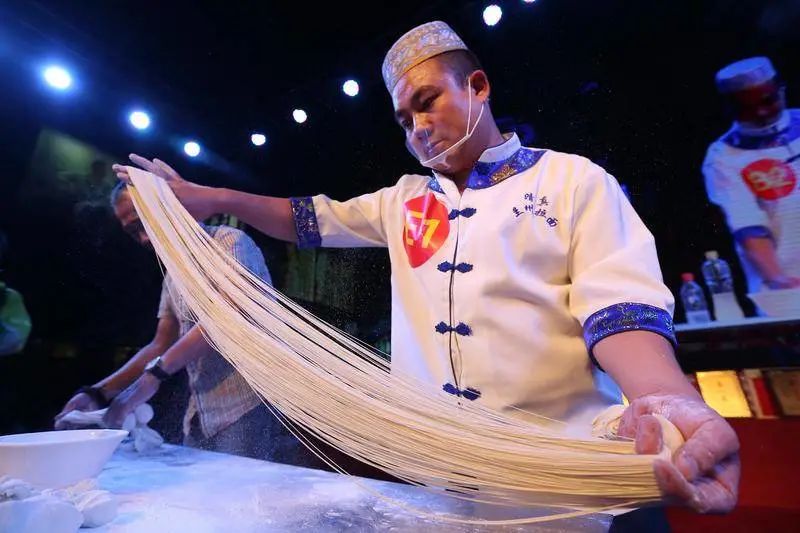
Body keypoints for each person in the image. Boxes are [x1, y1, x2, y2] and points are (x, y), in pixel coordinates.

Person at [115, 21, 739, 514]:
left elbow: (619, 308)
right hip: (440, 479)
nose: (418, 127)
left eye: (428, 100)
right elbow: (306, 219)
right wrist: (210, 198)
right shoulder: (404, 201)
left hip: (558, 473)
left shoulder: (571, 180)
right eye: (404, 119)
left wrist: (662, 397)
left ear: (478, 87)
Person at [54, 182, 311, 465]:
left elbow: (223, 319)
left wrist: (153, 377)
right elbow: (160, 344)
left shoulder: (229, 243)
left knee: (239, 490)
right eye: (133, 232)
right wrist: (97, 393)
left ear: (169, 206)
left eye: (143, 223)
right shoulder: (174, 275)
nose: (143, 238)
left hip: (246, 405)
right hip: (201, 411)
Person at [703, 56, 800, 293]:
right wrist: (778, 279)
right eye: (746, 108)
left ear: (781, 90)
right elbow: (749, 229)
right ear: (729, 108)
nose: (761, 112)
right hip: (788, 288)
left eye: (768, 101)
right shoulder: (723, 158)